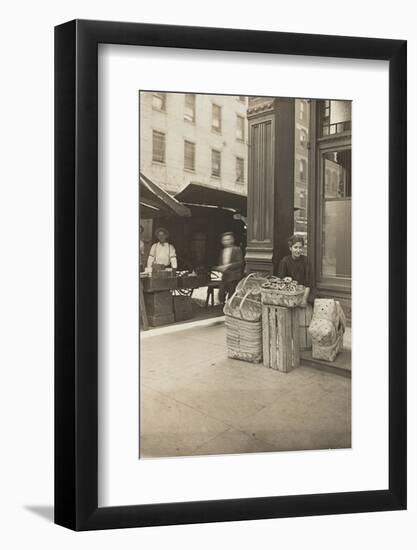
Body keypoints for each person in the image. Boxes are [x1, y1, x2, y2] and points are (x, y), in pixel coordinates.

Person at [278, 234, 311, 307]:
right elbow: (280, 283)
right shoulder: (285, 261)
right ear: (290, 248)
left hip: (302, 294)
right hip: (289, 297)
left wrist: (304, 299)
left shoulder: (306, 261)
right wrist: (284, 280)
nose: (298, 250)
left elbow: (308, 283)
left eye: (300, 247)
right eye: (295, 247)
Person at [215, 232, 244, 304]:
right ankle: (222, 307)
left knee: (231, 295)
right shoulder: (222, 251)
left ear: (232, 240)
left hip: (234, 276)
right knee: (220, 294)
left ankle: (230, 308)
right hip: (225, 276)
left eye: (228, 239)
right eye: (224, 240)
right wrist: (220, 267)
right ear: (222, 241)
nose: (226, 241)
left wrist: (227, 266)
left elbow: (240, 263)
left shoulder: (237, 249)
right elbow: (221, 263)